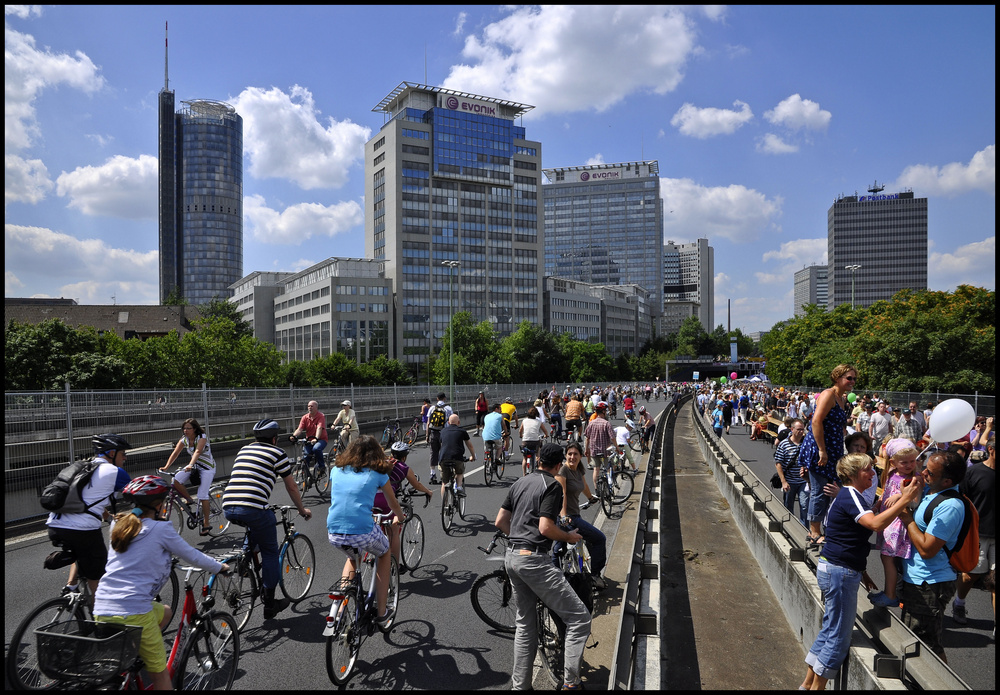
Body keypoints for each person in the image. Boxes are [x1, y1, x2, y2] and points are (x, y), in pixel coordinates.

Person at [94, 476, 228, 691]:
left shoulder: (118, 525)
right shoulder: (160, 529)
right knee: (161, 677)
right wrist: (219, 567)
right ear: (159, 506)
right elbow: (192, 555)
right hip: (135, 611)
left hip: (101, 608)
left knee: (165, 612)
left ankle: (134, 660)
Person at [800, 452, 920, 690]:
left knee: (830, 629)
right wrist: (905, 500)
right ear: (855, 474)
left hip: (837, 568)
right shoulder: (849, 495)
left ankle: (807, 685)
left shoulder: (852, 497)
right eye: (868, 469)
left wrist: (862, 570)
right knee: (839, 636)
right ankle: (818, 687)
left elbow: (855, 528)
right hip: (839, 571)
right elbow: (874, 524)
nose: (873, 473)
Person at [495, 442, 592, 690]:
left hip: (512, 557)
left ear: (538, 460)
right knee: (579, 618)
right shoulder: (551, 485)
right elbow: (545, 528)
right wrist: (569, 537)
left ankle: (521, 686)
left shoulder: (520, 482)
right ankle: (571, 683)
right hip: (534, 560)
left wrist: (519, 540)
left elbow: (500, 521)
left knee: (526, 625)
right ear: (558, 465)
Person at [223, 418, 312, 619]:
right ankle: (270, 604)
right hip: (254, 508)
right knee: (270, 552)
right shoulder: (277, 453)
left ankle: (245, 560)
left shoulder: (243, 450)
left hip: (228, 505)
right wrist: (301, 509)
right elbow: (291, 486)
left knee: (254, 527)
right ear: (274, 438)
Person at [895, 451, 969, 662]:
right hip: (917, 578)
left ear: (947, 480)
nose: (923, 472)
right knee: (913, 639)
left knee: (927, 647)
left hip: (931, 582)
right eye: (925, 467)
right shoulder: (932, 491)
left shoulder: (950, 506)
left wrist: (907, 518)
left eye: (930, 472)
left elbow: (928, 550)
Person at [327, 435, 406, 626]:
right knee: (385, 553)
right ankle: (381, 612)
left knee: (352, 558)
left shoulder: (336, 470)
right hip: (362, 530)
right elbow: (392, 502)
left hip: (334, 531)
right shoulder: (378, 474)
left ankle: (342, 604)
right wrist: (400, 517)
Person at [47, 434, 133, 597]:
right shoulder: (115, 472)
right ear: (112, 454)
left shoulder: (82, 467)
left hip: (54, 525)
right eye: (123, 454)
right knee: (97, 579)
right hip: (81, 530)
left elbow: (87, 500)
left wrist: (108, 517)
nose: (126, 458)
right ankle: (98, 619)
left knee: (83, 551)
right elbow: (142, 495)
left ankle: (71, 588)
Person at [799, 364, 857, 547]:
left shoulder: (841, 398)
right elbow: (816, 421)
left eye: (854, 378)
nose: (852, 382)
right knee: (820, 490)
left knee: (828, 488)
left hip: (832, 448)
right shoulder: (828, 395)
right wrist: (822, 450)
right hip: (821, 447)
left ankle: (819, 527)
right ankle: (814, 532)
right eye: (849, 378)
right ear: (838, 377)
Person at [869, 438, 922, 608]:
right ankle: (892, 593)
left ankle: (891, 594)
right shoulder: (892, 474)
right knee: (889, 557)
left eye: (912, 461)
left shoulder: (916, 478)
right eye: (904, 462)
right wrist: (879, 503)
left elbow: (915, 499)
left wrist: (900, 496)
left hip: (898, 522)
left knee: (888, 557)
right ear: (893, 462)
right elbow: (886, 491)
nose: (909, 465)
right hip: (889, 520)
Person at [372, 442, 433, 572]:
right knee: (394, 531)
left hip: (369, 498)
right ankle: (396, 565)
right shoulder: (403, 467)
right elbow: (416, 485)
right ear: (405, 456)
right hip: (385, 500)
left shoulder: (381, 462)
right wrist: (428, 491)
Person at [553, 441, 607, 589]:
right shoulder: (562, 471)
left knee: (562, 547)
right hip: (568, 517)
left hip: (574, 515)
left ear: (581, 456)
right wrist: (564, 516)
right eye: (569, 454)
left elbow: (584, 486)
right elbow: (562, 494)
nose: (572, 457)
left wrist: (591, 498)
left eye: (575, 454)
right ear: (565, 455)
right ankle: (594, 576)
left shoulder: (578, 469)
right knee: (599, 539)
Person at [953, 436, 994, 631]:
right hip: (979, 533)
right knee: (971, 576)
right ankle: (959, 603)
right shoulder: (974, 472)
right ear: (991, 450)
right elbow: (961, 500)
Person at [159, 418, 217, 536]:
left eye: (188, 428)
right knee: (175, 480)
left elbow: (197, 451)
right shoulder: (184, 439)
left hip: (207, 468)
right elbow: (175, 453)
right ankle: (189, 500)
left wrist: (190, 464)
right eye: (184, 428)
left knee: (202, 495)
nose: (185, 431)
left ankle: (206, 523)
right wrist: (166, 467)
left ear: (194, 429)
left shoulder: (202, 437)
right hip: (194, 466)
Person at [775, 418, 808, 527]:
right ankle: (790, 527)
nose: (801, 432)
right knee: (788, 506)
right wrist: (783, 481)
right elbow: (778, 463)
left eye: (802, 429)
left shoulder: (806, 443)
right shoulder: (784, 444)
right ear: (792, 429)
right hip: (789, 480)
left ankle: (804, 529)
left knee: (804, 505)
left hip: (803, 481)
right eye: (798, 429)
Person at [439, 413, 475, 497]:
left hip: (444, 458)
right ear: (458, 422)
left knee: (444, 483)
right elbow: (470, 445)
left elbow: (442, 444)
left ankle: (444, 506)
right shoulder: (462, 431)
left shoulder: (443, 431)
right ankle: (459, 487)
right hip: (457, 457)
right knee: (459, 472)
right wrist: (473, 456)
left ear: (448, 422)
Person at [584, 402, 616, 492]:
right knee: (609, 468)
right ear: (603, 411)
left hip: (594, 450)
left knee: (596, 469)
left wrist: (586, 450)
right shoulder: (606, 423)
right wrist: (616, 447)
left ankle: (596, 489)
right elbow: (612, 437)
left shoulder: (591, 423)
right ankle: (609, 487)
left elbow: (587, 438)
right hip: (605, 451)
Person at [291, 400, 328, 474]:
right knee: (305, 457)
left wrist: (316, 438)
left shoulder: (321, 416)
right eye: (308, 406)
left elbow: (319, 428)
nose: (309, 408)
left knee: (316, 449)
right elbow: (300, 429)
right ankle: (307, 477)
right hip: (309, 440)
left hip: (321, 439)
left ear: (316, 407)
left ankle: (322, 466)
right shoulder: (305, 417)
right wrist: (293, 436)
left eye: (311, 406)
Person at [426, 393, 453, 485]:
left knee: (433, 453)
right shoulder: (448, 408)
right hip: (444, 433)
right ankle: (443, 474)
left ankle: (432, 474)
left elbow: (428, 423)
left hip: (433, 433)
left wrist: (427, 435)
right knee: (444, 453)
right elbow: (451, 421)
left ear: (437, 398)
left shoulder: (432, 408)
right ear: (444, 398)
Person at [519, 406, 549, 476]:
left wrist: (521, 435)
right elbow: (545, 431)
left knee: (525, 458)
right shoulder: (538, 422)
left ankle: (524, 474)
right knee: (538, 454)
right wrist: (546, 435)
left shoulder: (524, 420)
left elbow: (520, 430)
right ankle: (538, 468)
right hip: (535, 441)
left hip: (525, 440)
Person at [482, 403, 505, 468]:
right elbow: (504, 425)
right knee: (500, 447)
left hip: (485, 436)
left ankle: (486, 457)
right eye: (500, 409)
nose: (501, 410)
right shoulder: (500, 416)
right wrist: (505, 432)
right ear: (496, 409)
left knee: (486, 448)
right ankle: (496, 459)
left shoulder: (486, 416)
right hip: (496, 437)